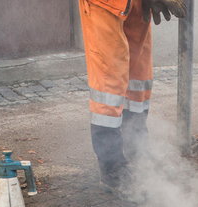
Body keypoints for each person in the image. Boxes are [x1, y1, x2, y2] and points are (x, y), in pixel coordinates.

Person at [78, 0, 186, 196]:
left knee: (139, 74)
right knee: (109, 79)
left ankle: (136, 148)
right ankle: (112, 167)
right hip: (105, 4)